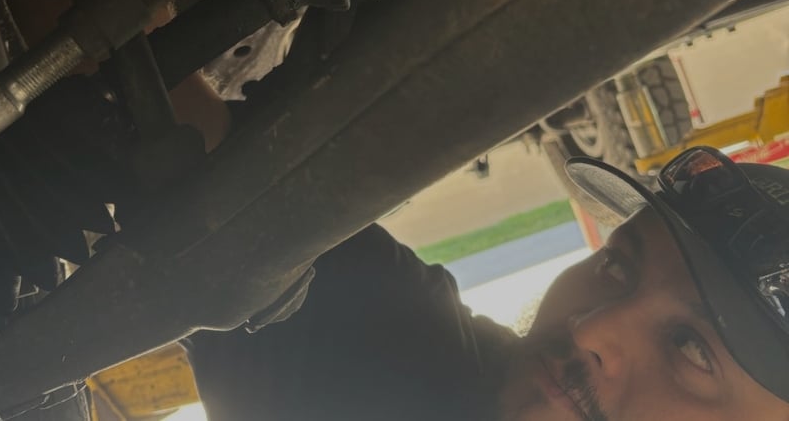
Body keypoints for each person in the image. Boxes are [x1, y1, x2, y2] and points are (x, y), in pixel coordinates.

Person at [183, 147, 789, 420]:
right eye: (617, 268)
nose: (592, 327)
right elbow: (199, 147)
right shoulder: (412, 349)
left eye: (691, 347)